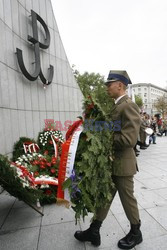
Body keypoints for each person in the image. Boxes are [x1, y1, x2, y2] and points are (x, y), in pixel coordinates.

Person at [74, 70, 143, 249]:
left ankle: (136, 233)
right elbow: (114, 128)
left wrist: (102, 138)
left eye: (109, 84)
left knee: (127, 199)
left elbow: (129, 139)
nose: (106, 87)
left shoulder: (128, 105)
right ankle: (94, 230)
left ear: (120, 85)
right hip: (113, 163)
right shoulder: (118, 105)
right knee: (105, 198)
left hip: (123, 164)